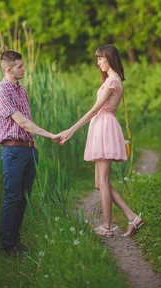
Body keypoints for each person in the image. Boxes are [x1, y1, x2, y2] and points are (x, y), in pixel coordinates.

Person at [56, 44, 144, 237]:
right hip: (102, 127)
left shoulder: (112, 81)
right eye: (97, 59)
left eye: (101, 59)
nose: (98, 63)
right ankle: (132, 217)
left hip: (104, 128)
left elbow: (95, 109)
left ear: (110, 59)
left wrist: (71, 130)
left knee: (103, 181)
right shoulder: (111, 80)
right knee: (98, 183)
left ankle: (107, 226)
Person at [0, 50, 59, 255]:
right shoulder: (1, 91)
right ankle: (7, 245)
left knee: (24, 197)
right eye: (20, 66)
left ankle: (15, 241)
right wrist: (50, 135)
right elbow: (21, 122)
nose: (24, 69)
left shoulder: (21, 90)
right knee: (13, 197)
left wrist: (34, 144)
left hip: (28, 150)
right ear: (8, 69)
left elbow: (26, 121)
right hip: (12, 151)